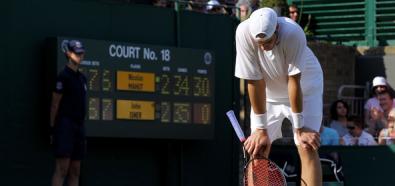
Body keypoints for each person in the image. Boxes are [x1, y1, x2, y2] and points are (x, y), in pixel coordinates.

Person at [235, 8, 323, 185]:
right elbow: (254, 82)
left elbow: (294, 82)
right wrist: (260, 129)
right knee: (258, 148)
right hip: (268, 93)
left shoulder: (293, 33)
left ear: (276, 29)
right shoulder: (243, 33)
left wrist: (299, 128)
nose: (262, 46)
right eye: (258, 42)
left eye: (267, 41)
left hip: (305, 88)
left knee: (306, 145)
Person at [50, 40, 87, 186]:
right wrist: (53, 129)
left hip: (79, 127)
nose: (80, 55)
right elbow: (54, 104)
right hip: (64, 126)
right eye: (77, 53)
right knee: (62, 169)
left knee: (76, 170)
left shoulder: (82, 78)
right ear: (68, 54)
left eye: (82, 52)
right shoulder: (63, 76)